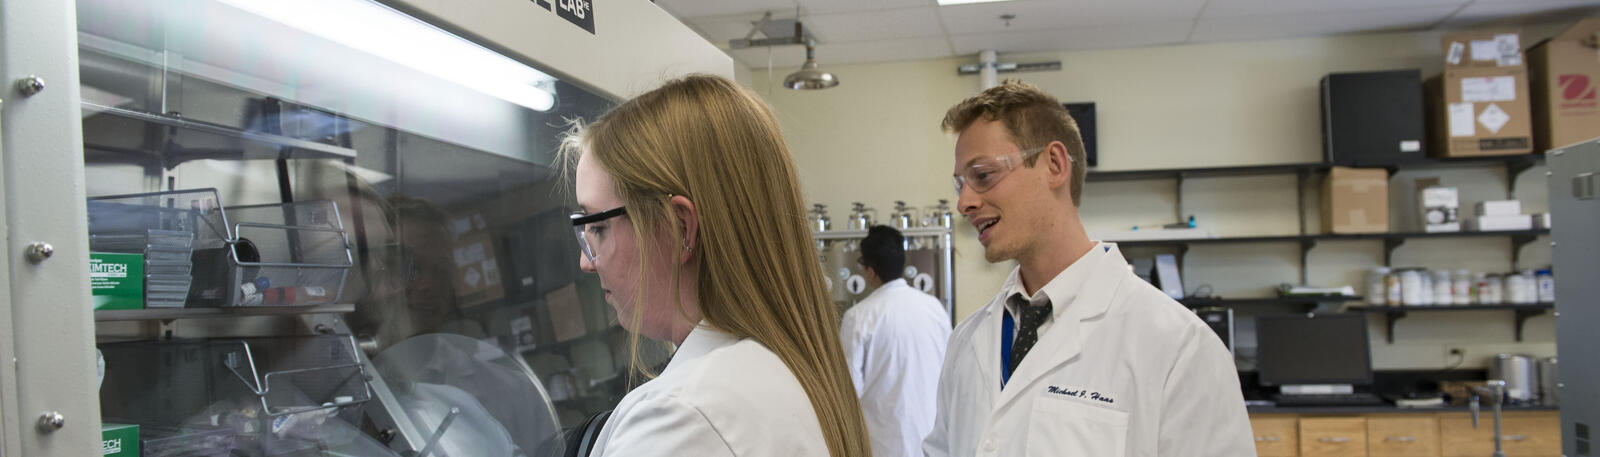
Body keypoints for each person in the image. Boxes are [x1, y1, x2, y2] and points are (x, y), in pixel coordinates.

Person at [923, 79, 1255, 457]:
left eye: (982, 176)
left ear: (1054, 164)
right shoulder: (967, 341)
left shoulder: (1179, 347)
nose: (964, 202)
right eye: (960, 185)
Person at [563, 74, 872, 457]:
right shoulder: (791, 365)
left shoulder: (684, 417)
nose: (585, 261)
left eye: (599, 227)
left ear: (678, 228)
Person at [839, 225, 951, 457]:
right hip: (934, 443)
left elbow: (848, 391)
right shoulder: (935, 308)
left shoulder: (859, 317)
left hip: (884, 446)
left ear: (870, 271)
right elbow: (950, 373)